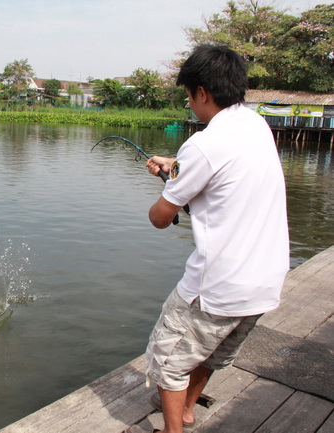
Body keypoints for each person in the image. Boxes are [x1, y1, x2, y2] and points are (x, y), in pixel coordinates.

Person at [124, 45, 290, 433]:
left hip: (218, 284)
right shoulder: (255, 125)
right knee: (211, 352)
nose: (190, 105)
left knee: (167, 360)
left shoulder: (202, 144)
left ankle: (172, 430)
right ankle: (186, 411)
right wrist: (176, 168)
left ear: (202, 92)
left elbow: (161, 218)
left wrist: (172, 179)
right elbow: (221, 178)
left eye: (188, 96)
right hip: (264, 281)